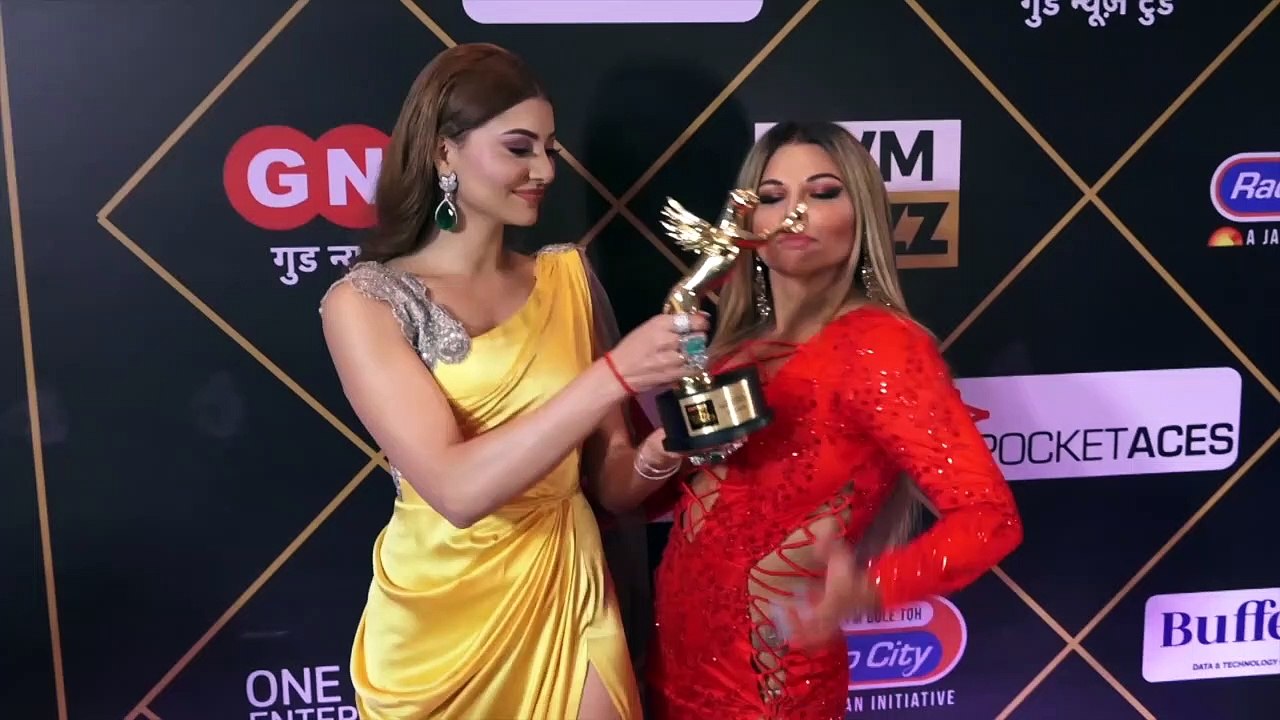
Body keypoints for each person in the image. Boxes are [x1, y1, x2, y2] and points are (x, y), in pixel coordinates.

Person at [318, 43, 708, 720]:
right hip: (438, 623)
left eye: (549, 150)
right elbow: (457, 491)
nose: (544, 170)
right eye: (519, 148)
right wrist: (614, 375)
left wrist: (667, 446)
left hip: (568, 588)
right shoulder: (365, 303)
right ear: (444, 153)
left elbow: (610, 482)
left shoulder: (567, 278)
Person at [631, 121, 1026, 718]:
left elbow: (990, 520)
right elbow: (673, 502)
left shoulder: (882, 346)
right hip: (668, 669)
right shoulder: (733, 348)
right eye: (772, 197)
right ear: (748, 220)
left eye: (821, 193)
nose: (795, 213)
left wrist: (869, 590)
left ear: (861, 212)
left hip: (770, 686)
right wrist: (647, 446)